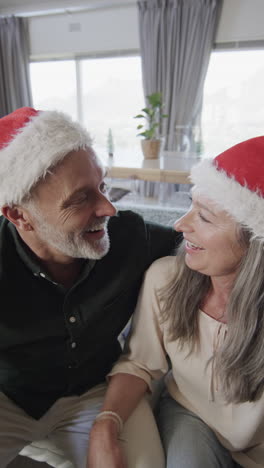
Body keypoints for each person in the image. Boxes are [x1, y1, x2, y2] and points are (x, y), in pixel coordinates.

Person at [0, 107, 182, 468]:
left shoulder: (131, 237)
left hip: (98, 393)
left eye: (102, 186)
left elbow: (203, 249)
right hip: (10, 399)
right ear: (20, 216)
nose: (109, 208)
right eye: (81, 198)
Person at [88, 136, 264, 468]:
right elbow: (139, 362)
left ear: (256, 243)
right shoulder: (165, 278)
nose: (180, 225)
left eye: (206, 218)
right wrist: (105, 425)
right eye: (190, 205)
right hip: (190, 416)